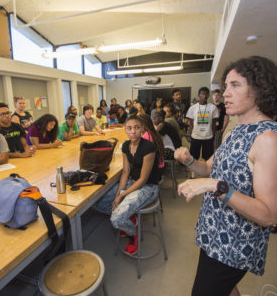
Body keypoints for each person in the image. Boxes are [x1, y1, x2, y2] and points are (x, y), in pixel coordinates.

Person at [174, 56, 277, 296]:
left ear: (260, 89)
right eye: (225, 86)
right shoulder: (235, 131)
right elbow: (209, 168)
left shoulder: (268, 140)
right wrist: (189, 160)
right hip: (215, 232)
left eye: (236, 85)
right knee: (226, 289)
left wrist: (214, 186)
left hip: (235, 244)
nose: (224, 94)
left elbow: (268, 215)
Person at [94, 115, 162, 255]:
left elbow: (143, 179)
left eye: (137, 128)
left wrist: (121, 196)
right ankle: (128, 216)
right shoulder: (126, 146)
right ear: (125, 129)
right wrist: (118, 193)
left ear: (142, 129)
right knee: (98, 202)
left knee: (116, 219)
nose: (133, 131)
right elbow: (126, 171)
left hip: (148, 187)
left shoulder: (149, 147)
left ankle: (132, 233)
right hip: (132, 183)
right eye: (129, 128)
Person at [186, 87, 218, 178]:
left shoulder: (213, 107)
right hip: (195, 136)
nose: (204, 96)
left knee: (208, 157)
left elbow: (214, 123)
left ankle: (208, 174)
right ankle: (193, 175)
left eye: (206, 94)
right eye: (202, 94)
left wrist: (213, 135)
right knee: (193, 157)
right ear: (199, 95)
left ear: (208, 95)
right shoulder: (193, 108)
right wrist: (191, 133)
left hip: (208, 137)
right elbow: (191, 123)